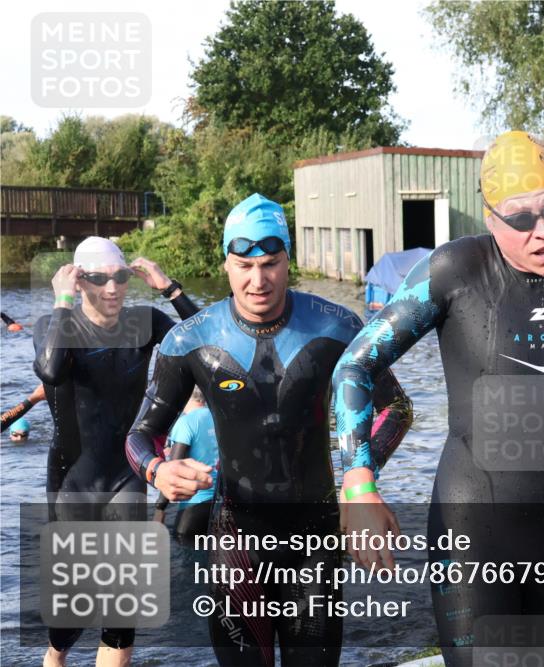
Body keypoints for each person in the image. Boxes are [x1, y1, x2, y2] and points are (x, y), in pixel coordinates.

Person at [333, 131, 544, 665]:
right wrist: (358, 485)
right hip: (473, 531)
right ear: (489, 218)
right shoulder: (455, 272)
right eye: (520, 218)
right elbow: (355, 364)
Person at [125, 193, 413, 666]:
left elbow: (396, 408)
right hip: (235, 538)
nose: (258, 280)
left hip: (315, 539)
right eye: (244, 265)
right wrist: (157, 470)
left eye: (271, 264)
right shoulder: (190, 337)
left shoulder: (337, 326)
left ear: (287, 261)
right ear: (225, 265)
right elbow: (141, 434)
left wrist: (359, 479)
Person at [33, 236, 199, 667]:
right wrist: (62, 303)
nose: (112, 288)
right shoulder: (54, 326)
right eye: (99, 279)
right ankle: (55, 654)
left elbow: (209, 345)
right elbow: (50, 370)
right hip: (74, 482)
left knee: (121, 616)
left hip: (126, 475)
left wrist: (170, 289)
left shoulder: (144, 322)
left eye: (120, 277)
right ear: (79, 280)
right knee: (69, 620)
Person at [152, 386, 219, 544]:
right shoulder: (218, 417)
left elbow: (174, 470)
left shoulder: (185, 423)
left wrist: (159, 509)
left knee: (184, 549)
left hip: (195, 505)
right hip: (220, 503)